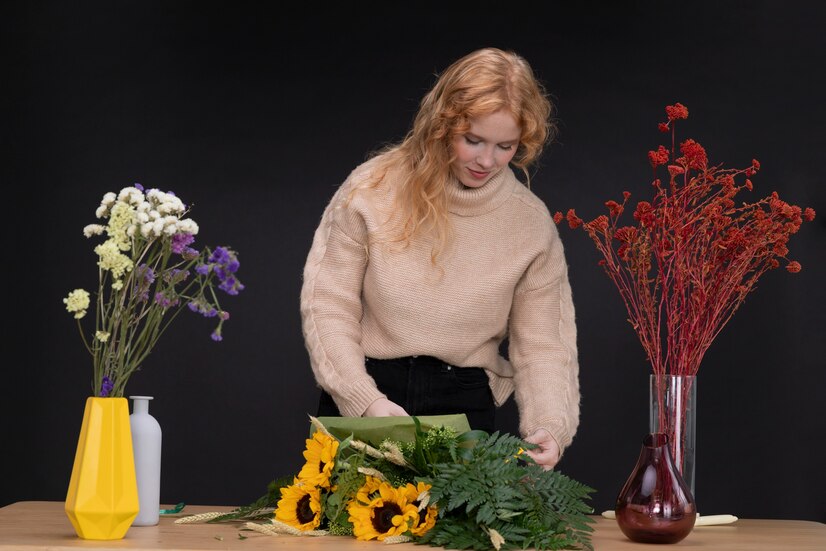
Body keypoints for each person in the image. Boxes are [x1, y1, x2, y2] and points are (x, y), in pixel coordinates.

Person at [300, 47, 579, 469]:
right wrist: (364, 398)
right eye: (473, 140)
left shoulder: (529, 224)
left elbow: (544, 344)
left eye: (506, 146)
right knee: (349, 532)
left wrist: (549, 424)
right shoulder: (372, 188)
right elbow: (328, 305)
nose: (487, 160)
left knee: (448, 536)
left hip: (463, 405)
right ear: (442, 123)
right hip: (367, 395)